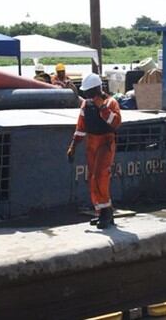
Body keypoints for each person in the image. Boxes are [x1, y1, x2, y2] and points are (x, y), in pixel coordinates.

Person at [67, 73, 122, 229]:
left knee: (100, 176)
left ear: (98, 89)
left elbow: (116, 123)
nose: (88, 95)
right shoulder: (86, 105)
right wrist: (73, 146)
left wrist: (102, 108)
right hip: (91, 143)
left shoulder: (111, 103)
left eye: (90, 92)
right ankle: (101, 212)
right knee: (92, 178)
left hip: (106, 142)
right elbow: (81, 127)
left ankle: (106, 212)